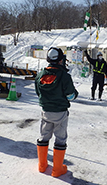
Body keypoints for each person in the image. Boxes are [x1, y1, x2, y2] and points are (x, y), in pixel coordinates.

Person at [35, 47, 78, 177]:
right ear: (60, 60)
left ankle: (42, 166)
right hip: (60, 113)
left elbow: (38, 93)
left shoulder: (40, 75)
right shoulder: (64, 76)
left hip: (45, 111)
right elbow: (71, 96)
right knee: (60, 139)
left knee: (44, 137)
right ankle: (57, 169)